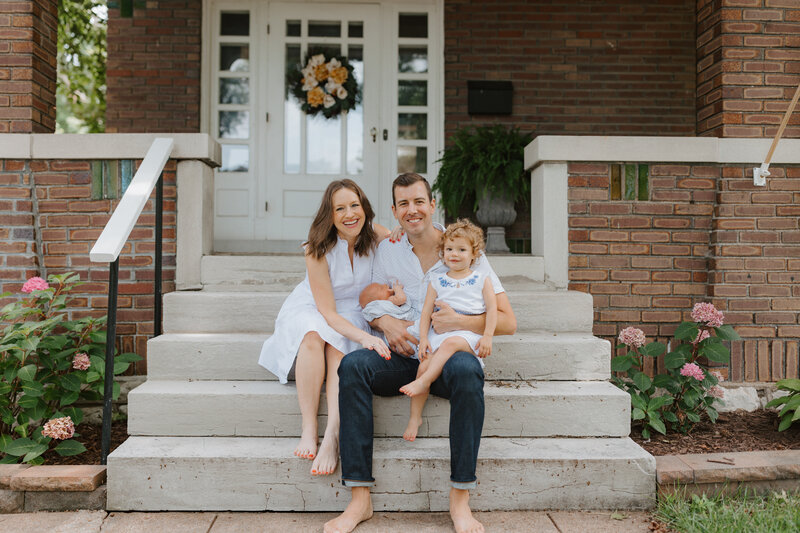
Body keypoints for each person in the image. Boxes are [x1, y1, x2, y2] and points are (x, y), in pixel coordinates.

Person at [324, 173, 517, 533]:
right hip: (403, 355)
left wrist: (460, 320)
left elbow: (507, 322)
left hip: (445, 356)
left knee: (467, 371)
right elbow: (374, 299)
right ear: (395, 212)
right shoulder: (388, 250)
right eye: (403, 204)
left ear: (432, 205)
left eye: (418, 202)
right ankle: (359, 498)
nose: (412, 211)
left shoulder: (464, 247)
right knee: (353, 366)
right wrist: (385, 323)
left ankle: (460, 500)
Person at [258, 179, 390, 477]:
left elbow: (410, 245)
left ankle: (331, 435)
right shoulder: (316, 248)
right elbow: (328, 312)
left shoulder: (378, 234)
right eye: (339, 208)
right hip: (316, 307)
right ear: (329, 216)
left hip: (355, 311)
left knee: (339, 350)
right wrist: (365, 338)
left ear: (364, 207)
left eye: (354, 205)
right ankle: (309, 428)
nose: (349, 214)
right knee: (314, 334)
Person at [400, 220, 497, 443]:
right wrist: (423, 338)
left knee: (452, 342)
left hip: (467, 335)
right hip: (439, 334)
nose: (454, 254)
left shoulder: (481, 279)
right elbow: (426, 311)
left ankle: (424, 383)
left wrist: (488, 336)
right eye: (449, 249)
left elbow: (492, 310)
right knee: (423, 364)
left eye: (461, 250)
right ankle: (415, 417)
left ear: (474, 254)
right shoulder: (438, 280)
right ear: (442, 252)